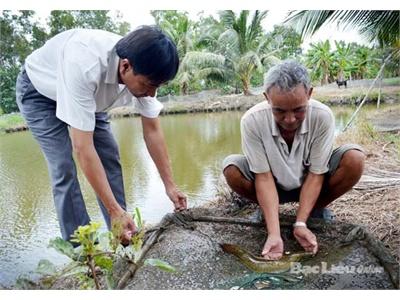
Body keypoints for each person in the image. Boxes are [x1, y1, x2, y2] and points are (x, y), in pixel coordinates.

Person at [16, 26, 187, 245]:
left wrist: (170, 186)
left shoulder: (145, 67)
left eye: (158, 86)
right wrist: (113, 208)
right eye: (149, 85)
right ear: (125, 66)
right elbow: (83, 148)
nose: (152, 93)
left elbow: (152, 131)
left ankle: (122, 234)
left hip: (90, 97)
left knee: (109, 155)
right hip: (41, 93)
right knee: (63, 167)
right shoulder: (85, 63)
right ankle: (84, 251)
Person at [222, 60, 365, 260]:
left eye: (298, 109)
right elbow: (262, 177)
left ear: (309, 94)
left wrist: (300, 224)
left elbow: (317, 173)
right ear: (267, 98)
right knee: (232, 168)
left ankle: (312, 211)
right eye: (279, 110)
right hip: (272, 184)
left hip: (312, 183)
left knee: (354, 159)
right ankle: (270, 214)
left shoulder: (323, 116)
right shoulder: (251, 121)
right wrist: (274, 234)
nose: (289, 119)